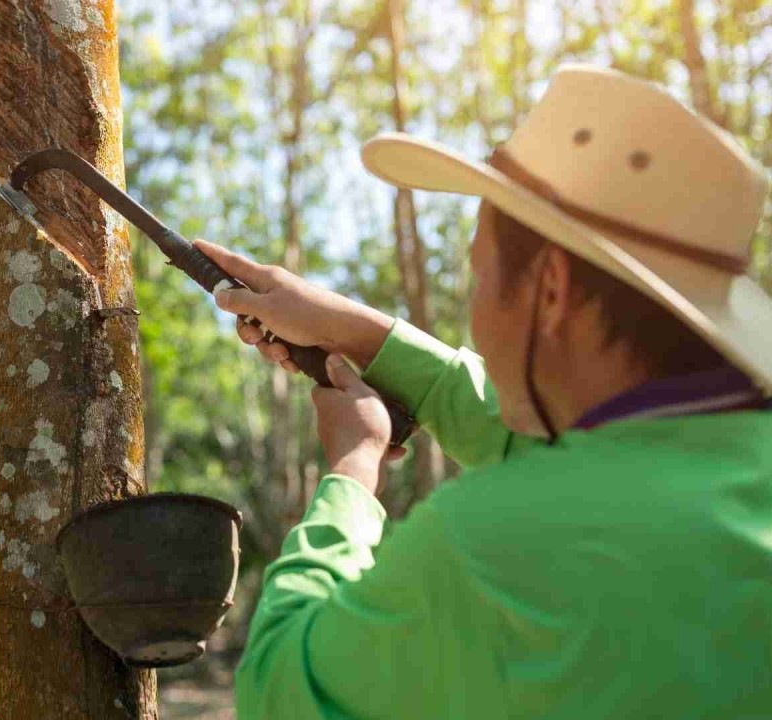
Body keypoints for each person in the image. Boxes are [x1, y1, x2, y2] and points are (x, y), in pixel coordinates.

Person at [196, 64, 772, 718]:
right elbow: (578, 451)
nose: (476, 312)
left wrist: (353, 471)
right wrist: (348, 327)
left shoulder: (493, 545)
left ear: (550, 290)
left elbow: (281, 686)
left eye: (482, 278)